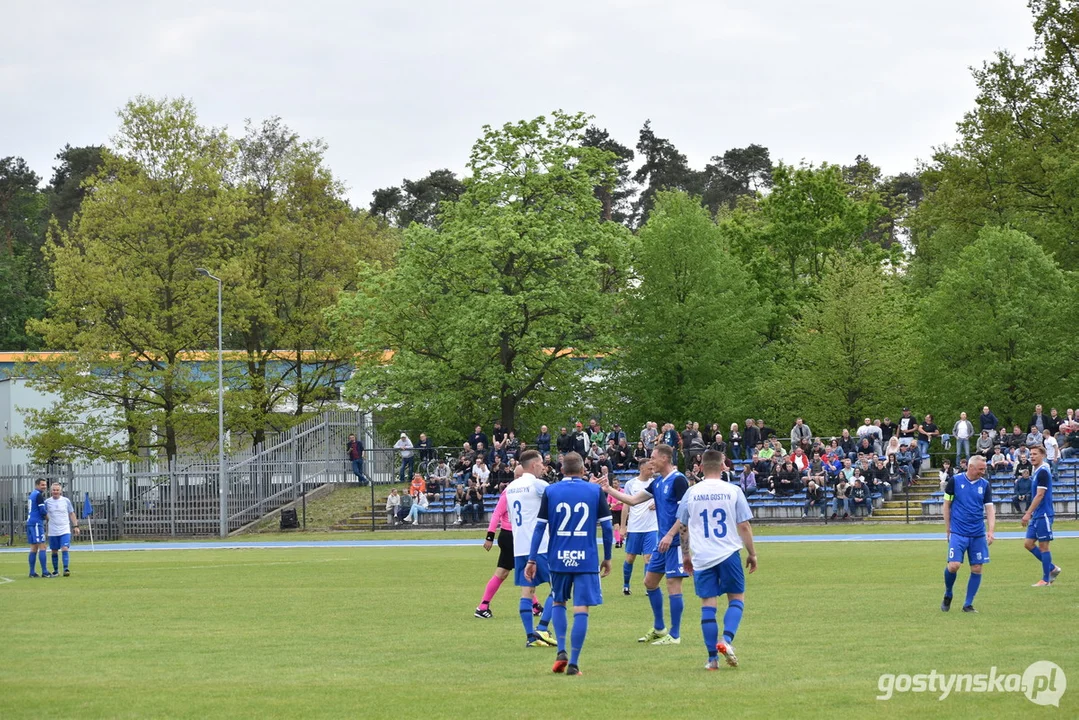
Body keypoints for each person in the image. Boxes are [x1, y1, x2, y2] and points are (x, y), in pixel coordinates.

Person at [657, 450, 755, 669]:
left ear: (700, 467)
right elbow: (744, 525)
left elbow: (682, 526)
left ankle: (712, 659)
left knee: (708, 604)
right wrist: (752, 553)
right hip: (728, 552)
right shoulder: (733, 490)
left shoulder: (691, 493)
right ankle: (726, 640)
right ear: (723, 466)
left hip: (702, 555)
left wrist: (685, 555)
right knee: (736, 598)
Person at [525, 452, 612, 676]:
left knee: (559, 603)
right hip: (586, 559)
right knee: (581, 608)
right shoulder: (594, 491)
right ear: (583, 471)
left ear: (562, 470)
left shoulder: (551, 491)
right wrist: (608, 557)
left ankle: (561, 650)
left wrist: (532, 558)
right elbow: (608, 528)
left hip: (558, 558)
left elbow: (539, 527)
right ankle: (573, 663)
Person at [599, 444, 688, 646]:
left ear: (665, 458)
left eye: (653, 457)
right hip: (662, 542)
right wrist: (609, 489)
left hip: (674, 542)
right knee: (650, 582)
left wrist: (671, 535)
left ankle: (674, 635)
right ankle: (659, 629)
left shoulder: (679, 480)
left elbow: (685, 513)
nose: (651, 461)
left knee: (673, 584)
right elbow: (632, 500)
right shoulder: (657, 483)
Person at [507, 450, 556, 647]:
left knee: (526, 592)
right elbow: (559, 499)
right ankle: (543, 629)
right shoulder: (537, 484)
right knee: (558, 588)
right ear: (534, 465)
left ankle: (530, 637)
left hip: (519, 546)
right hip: (541, 546)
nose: (544, 467)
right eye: (542, 464)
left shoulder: (511, 487)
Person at [941, 455, 995, 613]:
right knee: (954, 566)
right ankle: (948, 593)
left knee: (977, 568)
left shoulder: (985, 485)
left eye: (984, 469)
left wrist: (991, 531)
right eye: (980, 469)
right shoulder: (955, 481)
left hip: (977, 533)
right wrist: (948, 529)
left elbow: (989, 508)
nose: (983, 472)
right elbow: (946, 505)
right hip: (958, 531)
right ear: (971, 467)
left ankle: (968, 604)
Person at [474, 479, 517, 619]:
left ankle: (483, 606)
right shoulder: (510, 492)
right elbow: (497, 513)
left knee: (511, 571)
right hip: (510, 536)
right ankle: (482, 606)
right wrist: (490, 536)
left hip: (516, 536)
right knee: (514, 571)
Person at [1023, 445, 1062, 587]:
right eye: (1031, 454)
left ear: (1043, 455)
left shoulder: (1043, 472)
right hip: (1037, 515)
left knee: (1044, 547)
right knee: (1028, 544)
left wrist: (1028, 513)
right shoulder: (1037, 471)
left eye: (1035, 454)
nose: (1032, 456)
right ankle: (1052, 568)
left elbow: (1040, 495)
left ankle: (1046, 580)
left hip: (1043, 514)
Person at [621, 460, 658, 595]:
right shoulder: (631, 484)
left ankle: (648, 587)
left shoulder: (655, 483)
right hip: (635, 527)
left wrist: (657, 505)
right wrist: (623, 526)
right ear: (642, 469)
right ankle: (626, 585)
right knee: (630, 558)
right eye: (650, 469)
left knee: (648, 557)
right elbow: (626, 505)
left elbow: (663, 501)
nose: (652, 471)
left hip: (651, 527)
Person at [44, 483, 78, 577]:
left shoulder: (66, 501)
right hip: (53, 530)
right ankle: (55, 570)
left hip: (64, 529)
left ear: (60, 491)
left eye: (57, 490)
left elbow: (71, 513)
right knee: (54, 550)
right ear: (51, 491)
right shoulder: (47, 502)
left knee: (64, 548)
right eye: (54, 490)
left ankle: (66, 568)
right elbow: (44, 513)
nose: (55, 492)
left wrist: (75, 526)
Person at [26, 478, 51, 578]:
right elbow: (42, 510)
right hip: (36, 523)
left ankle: (32, 572)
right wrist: (48, 518)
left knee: (33, 547)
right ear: (37, 485)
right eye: (42, 485)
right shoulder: (38, 495)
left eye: (45, 485)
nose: (44, 487)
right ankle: (45, 572)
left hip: (30, 522)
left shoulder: (32, 494)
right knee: (42, 546)